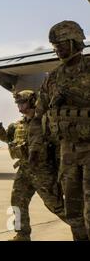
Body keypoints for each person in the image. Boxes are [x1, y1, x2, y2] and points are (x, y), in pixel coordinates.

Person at [29, 20, 90, 241]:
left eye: (62, 44)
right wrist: (35, 147)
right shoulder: (53, 78)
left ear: (76, 42)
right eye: (55, 46)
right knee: (73, 211)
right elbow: (38, 116)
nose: (58, 50)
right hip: (67, 154)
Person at [0, 90, 68, 241]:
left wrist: (61, 170)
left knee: (57, 206)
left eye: (23, 102)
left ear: (33, 102)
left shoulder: (45, 123)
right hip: (24, 170)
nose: (19, 106)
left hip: (43, 172)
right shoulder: (18, 125)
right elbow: (7, 138)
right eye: (18, 103)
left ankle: (83, 230)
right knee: (17, 202)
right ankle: (22, 235)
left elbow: (59, 146)